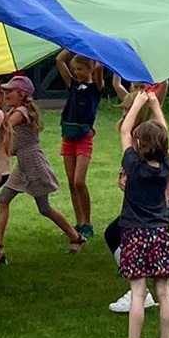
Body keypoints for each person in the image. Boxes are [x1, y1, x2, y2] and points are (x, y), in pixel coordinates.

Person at [116, 91, 169, 338]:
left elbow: (124, 131)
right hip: (161, 233)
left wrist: (140, 103)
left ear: (137, 143)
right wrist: (156, 107)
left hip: (135, 234)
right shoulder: (165, 165)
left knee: (139, 293)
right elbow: (163, 136)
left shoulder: (133, 164)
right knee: (164, 291)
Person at [0, 75, 86, 261]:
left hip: (33, 163)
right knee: (3, 200)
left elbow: (3, 126)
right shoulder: (15, 110)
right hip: (23, 163)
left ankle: (76, 237)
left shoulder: (21, 112)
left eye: (10, 91)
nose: (6, 94)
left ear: (21, 94)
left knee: (44, 208)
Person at [56, 50, 105, 238]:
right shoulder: (73, 85)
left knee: (79, 181)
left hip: (84, 138)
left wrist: (91, 46)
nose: (76, 72)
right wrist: (72, 44)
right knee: (70, 182)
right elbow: (59, 59)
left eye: (80, 69)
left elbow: (100, 66)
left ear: (90, 68)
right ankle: (79, 222)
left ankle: (88, 221)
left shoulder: (95, 89)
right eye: (74, 69)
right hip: (68, 136)